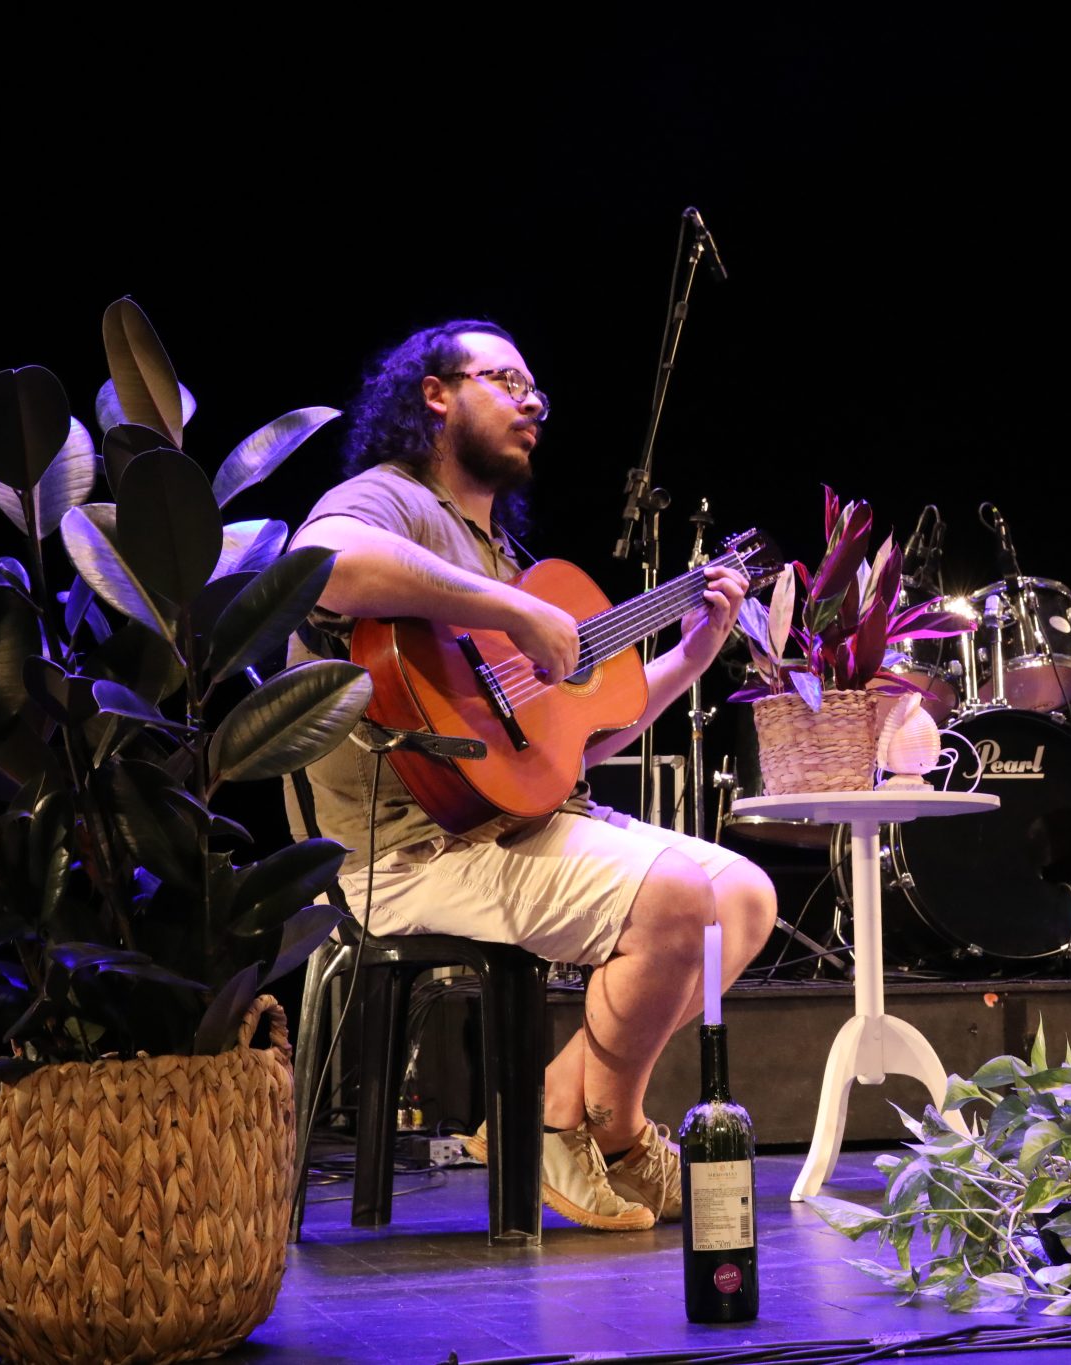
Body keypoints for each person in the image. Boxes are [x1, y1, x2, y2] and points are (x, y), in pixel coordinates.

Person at [285, 320, 777, 1232]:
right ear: (436, 393)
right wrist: (515, 609)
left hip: (508, 826)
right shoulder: (390, 499)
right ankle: (611, 1134)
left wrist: (693, 655)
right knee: (675, 898)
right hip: (408, 851)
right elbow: (325, 564)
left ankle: (553, 1102)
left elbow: (564, 750)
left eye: (536, 394)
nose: (530, 406)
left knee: (743, 895)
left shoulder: (503, 558)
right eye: (507, 382)